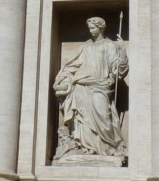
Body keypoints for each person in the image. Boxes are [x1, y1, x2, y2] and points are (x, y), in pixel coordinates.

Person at [53, 17, 128, 159]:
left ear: (101, 28)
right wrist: (63, 78)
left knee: (104, 116)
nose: (90, 30)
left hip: (101, 86)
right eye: (89, 28)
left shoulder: (110, 46)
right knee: (82, 118)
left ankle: (109, 148)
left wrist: (122, 50)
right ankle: (84, 146)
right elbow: (72, 66)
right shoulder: (85, 46)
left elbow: (119, 70)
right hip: (81, 86)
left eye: (93, 27)